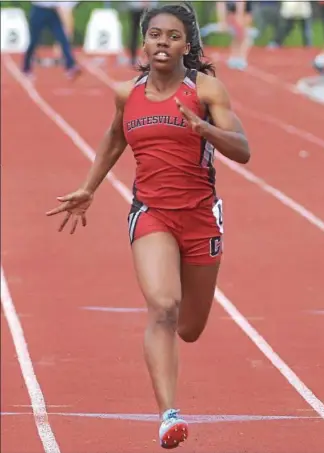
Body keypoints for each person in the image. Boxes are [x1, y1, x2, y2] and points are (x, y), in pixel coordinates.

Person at [46, 2, 250, 449]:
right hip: (151, 213)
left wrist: (205, 130)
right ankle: (168, 415)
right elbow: (115, 135)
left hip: (201, 217)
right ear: (144, 41)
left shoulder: (208, 91)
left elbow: (242, 149)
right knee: (162, 307)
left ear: (186, 44)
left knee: (190, 327)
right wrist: (89, 187)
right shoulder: (127, 93)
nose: (163, 43)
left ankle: (171, 340)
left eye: (173, 36)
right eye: (155, 34)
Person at [22, 1, 80, 79]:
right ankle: (26, 67)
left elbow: (66, 10)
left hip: (53, 11)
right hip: (39, 9)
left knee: (63, 38)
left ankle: (70, 66)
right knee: (34, 41)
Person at [216, 1, 254, 70]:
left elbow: (241, 3)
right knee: (236, 34)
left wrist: (239, 16)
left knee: (243, 33)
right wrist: (221, 21)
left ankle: (242, 57)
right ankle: (235, 56)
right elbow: (220, 4)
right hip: (232, 9)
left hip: (244, 8)